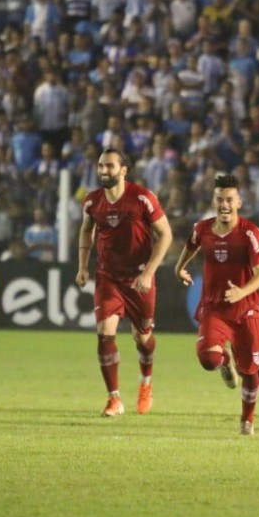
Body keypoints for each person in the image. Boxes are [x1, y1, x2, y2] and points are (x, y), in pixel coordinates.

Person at [76, 147, 173, 418]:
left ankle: (146, 382)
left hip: (139, 279)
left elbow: (165, 234)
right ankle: (114, 399)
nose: (103, 170)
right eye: (100, 166)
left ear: (123, 170)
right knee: (105, 333)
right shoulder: (92, 201)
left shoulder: (143, 198)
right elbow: (86, 230)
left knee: (142, 338)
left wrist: (148, 272)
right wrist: (82, 266)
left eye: (109, 166)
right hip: (108, 277)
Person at [174, 174, 259, 436]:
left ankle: (247, 420)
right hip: (214, 308)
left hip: (246, 310)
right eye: (219, 199)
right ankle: (225, 361)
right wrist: (179, 267)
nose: (224, 204)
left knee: (250, 370)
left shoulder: (250, 233)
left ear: (239, 202)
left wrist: (242, 292)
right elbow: (191, 246)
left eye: (229, 199)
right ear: (213, 201)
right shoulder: (202, 228)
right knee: (208, 359)